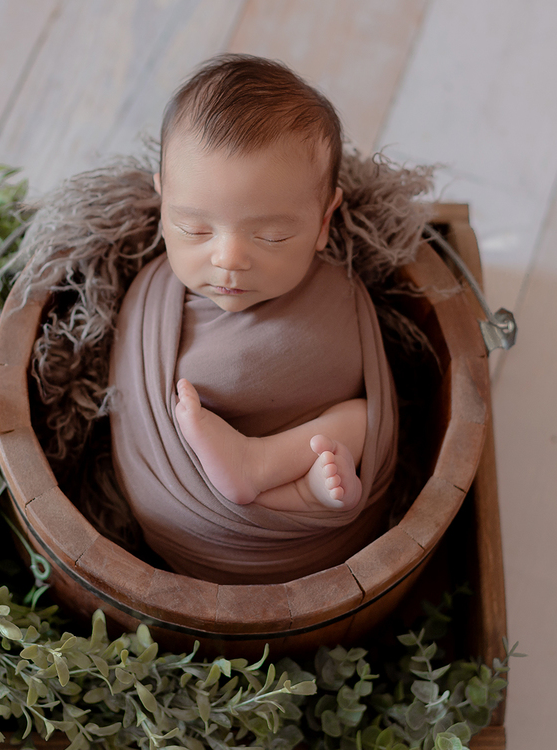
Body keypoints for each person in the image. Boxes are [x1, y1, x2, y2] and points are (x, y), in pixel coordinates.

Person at [108, 53, 400, 583]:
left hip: (329, 534)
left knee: (363, 419)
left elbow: (380, 402)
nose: (229, 258)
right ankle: (283, 487)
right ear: (162, 200)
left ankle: (268, 470)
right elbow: (132, 417)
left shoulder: (340, 293)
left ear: (323, 222)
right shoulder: (149, 299)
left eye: (271, 236)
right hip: (196, 523)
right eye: (195, 229)